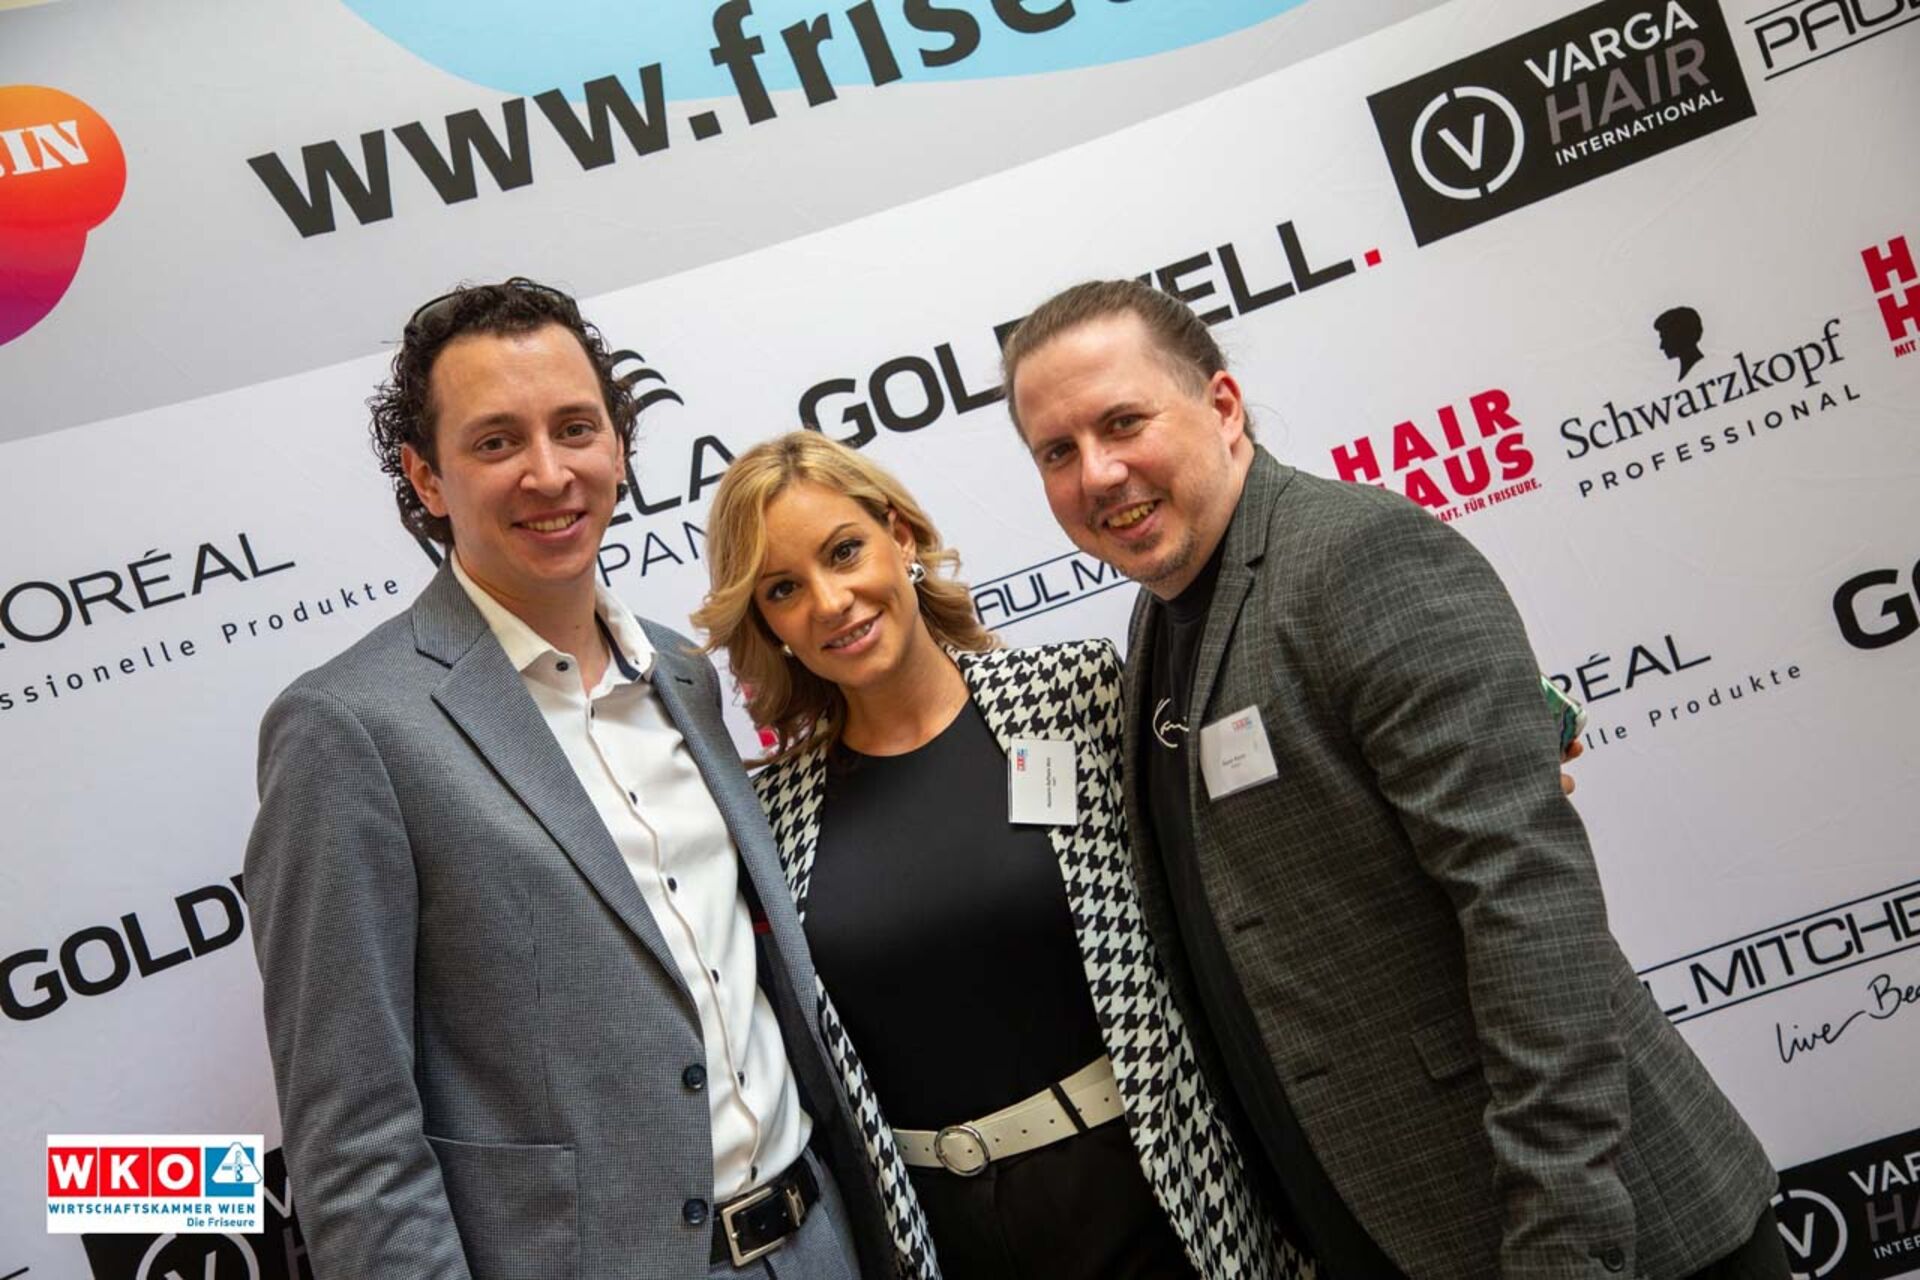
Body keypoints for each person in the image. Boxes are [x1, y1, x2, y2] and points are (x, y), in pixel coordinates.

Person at [999, 279, 1788, 1279]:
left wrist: (1564, 1237)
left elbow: (1528, 906)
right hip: (1393, 1230)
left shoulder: (1354, 556)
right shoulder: (1161, 618)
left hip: (1588, 1238)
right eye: (1057, 452)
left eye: (1123, 422)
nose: (1099, 473)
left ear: (1223, 405)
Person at [243, 280, 891, 1280]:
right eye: (496, 441)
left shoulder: (683, 673)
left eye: (575, 428)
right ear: (426, 477)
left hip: (822, 1238)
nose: (549, 473)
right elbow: (355, 1136)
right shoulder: (350, 728)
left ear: (619, 447)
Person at [692, 432, 1312, 1280]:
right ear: (766, 622)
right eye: (783, 589)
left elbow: (1228, 885)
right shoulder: (769, 816)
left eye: (844, 552)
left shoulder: (1070, 696)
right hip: (941, 1239)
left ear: (899, 536)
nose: (830, 602)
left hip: (1156, 1194)